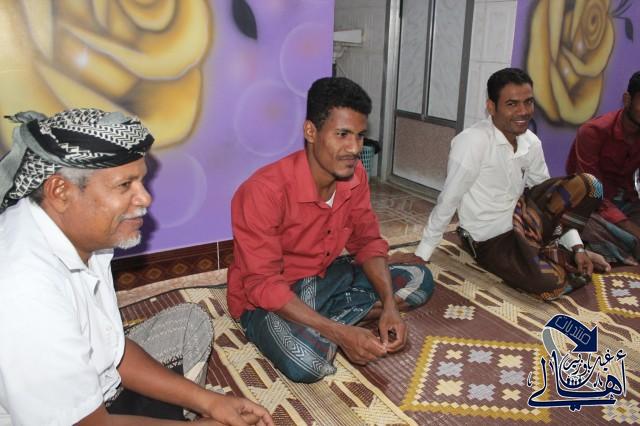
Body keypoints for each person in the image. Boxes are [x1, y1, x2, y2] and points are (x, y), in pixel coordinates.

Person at [0, 109, 272, 426]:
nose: (145, 198)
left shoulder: (84, 234)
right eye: (125, 185)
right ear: (61, 192)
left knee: (190, 322)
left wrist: (210, 402)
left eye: (141, 181)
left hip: (97, 398)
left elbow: (111, 350)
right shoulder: (23, 289)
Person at [227, 77, 434, 383]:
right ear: (311, 131)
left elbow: (367, 242)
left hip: (326, 276)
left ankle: (322, 323)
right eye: (342, 134)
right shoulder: (263, 192)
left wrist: (390, 307)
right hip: (272, 298)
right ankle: (332, 324)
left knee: (420, 279)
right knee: (306, 364)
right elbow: (264, 284)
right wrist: (339, 333)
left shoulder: (355, 176)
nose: (355, 148)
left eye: (360, 136)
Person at [415, 68, 609, 301]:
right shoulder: (472, 142)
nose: (523, 111)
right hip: (491, 239)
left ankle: (567, 252)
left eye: (528, 102)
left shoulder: (531, 142)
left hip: (526, 220)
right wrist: (423, 253)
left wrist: (577, 247)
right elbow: (449, 199)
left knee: (590, 185)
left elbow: (552, 200)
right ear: (491, 107)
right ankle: (555, 256)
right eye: (512, 104)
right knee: (550, 285)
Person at [566, 71, 640, 265]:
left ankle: (622, 248)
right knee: (577, 223)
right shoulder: (593, 132)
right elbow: (592, 193)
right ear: (627, 99)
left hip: (628, 205)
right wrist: (631, 228)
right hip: (594, 206)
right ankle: (625, 247)